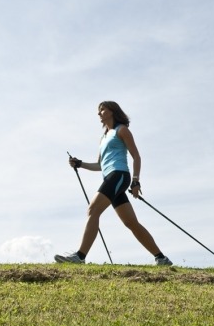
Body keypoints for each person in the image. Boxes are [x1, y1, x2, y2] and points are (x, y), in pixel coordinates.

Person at [55, 101, 172, 266]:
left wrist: (136, 181)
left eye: (102, 109)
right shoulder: (103, 138)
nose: (99, 113)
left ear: (112, 111)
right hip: (110, 177)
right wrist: (80, 164)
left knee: (93, 209)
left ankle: (79, 256)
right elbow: (100, 165)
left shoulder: (122, 130)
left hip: (119, 175)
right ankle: (161, 258)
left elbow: (136, 156)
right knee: (131, 223)